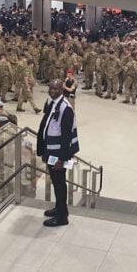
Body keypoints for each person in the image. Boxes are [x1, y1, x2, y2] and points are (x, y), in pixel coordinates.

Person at [37, 79, 79, 227]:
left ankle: (62, 217)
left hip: (58, 155)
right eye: (51, 89)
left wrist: (61, 160)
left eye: (56, 89)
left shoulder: (65, 108)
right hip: (51, 152)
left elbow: (66, 137)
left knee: (59, 183)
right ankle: (61, 209)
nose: (53, 91)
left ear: (62, 90)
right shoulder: (53, 103)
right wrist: (43, 151)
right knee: (55, 182)